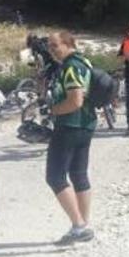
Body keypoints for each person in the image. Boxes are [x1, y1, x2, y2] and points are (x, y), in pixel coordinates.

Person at [45, 31, 97, 244]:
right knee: (78, 174)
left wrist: (53, 110)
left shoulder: (70, 66)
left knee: (55, 176)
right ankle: (82, 225)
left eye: (55, 45)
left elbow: (75, 100)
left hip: (69, 125)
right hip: (86, 125)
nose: (52, 50)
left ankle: (78, 226)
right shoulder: (85, 62)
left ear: (68, 44)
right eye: (49, 46)